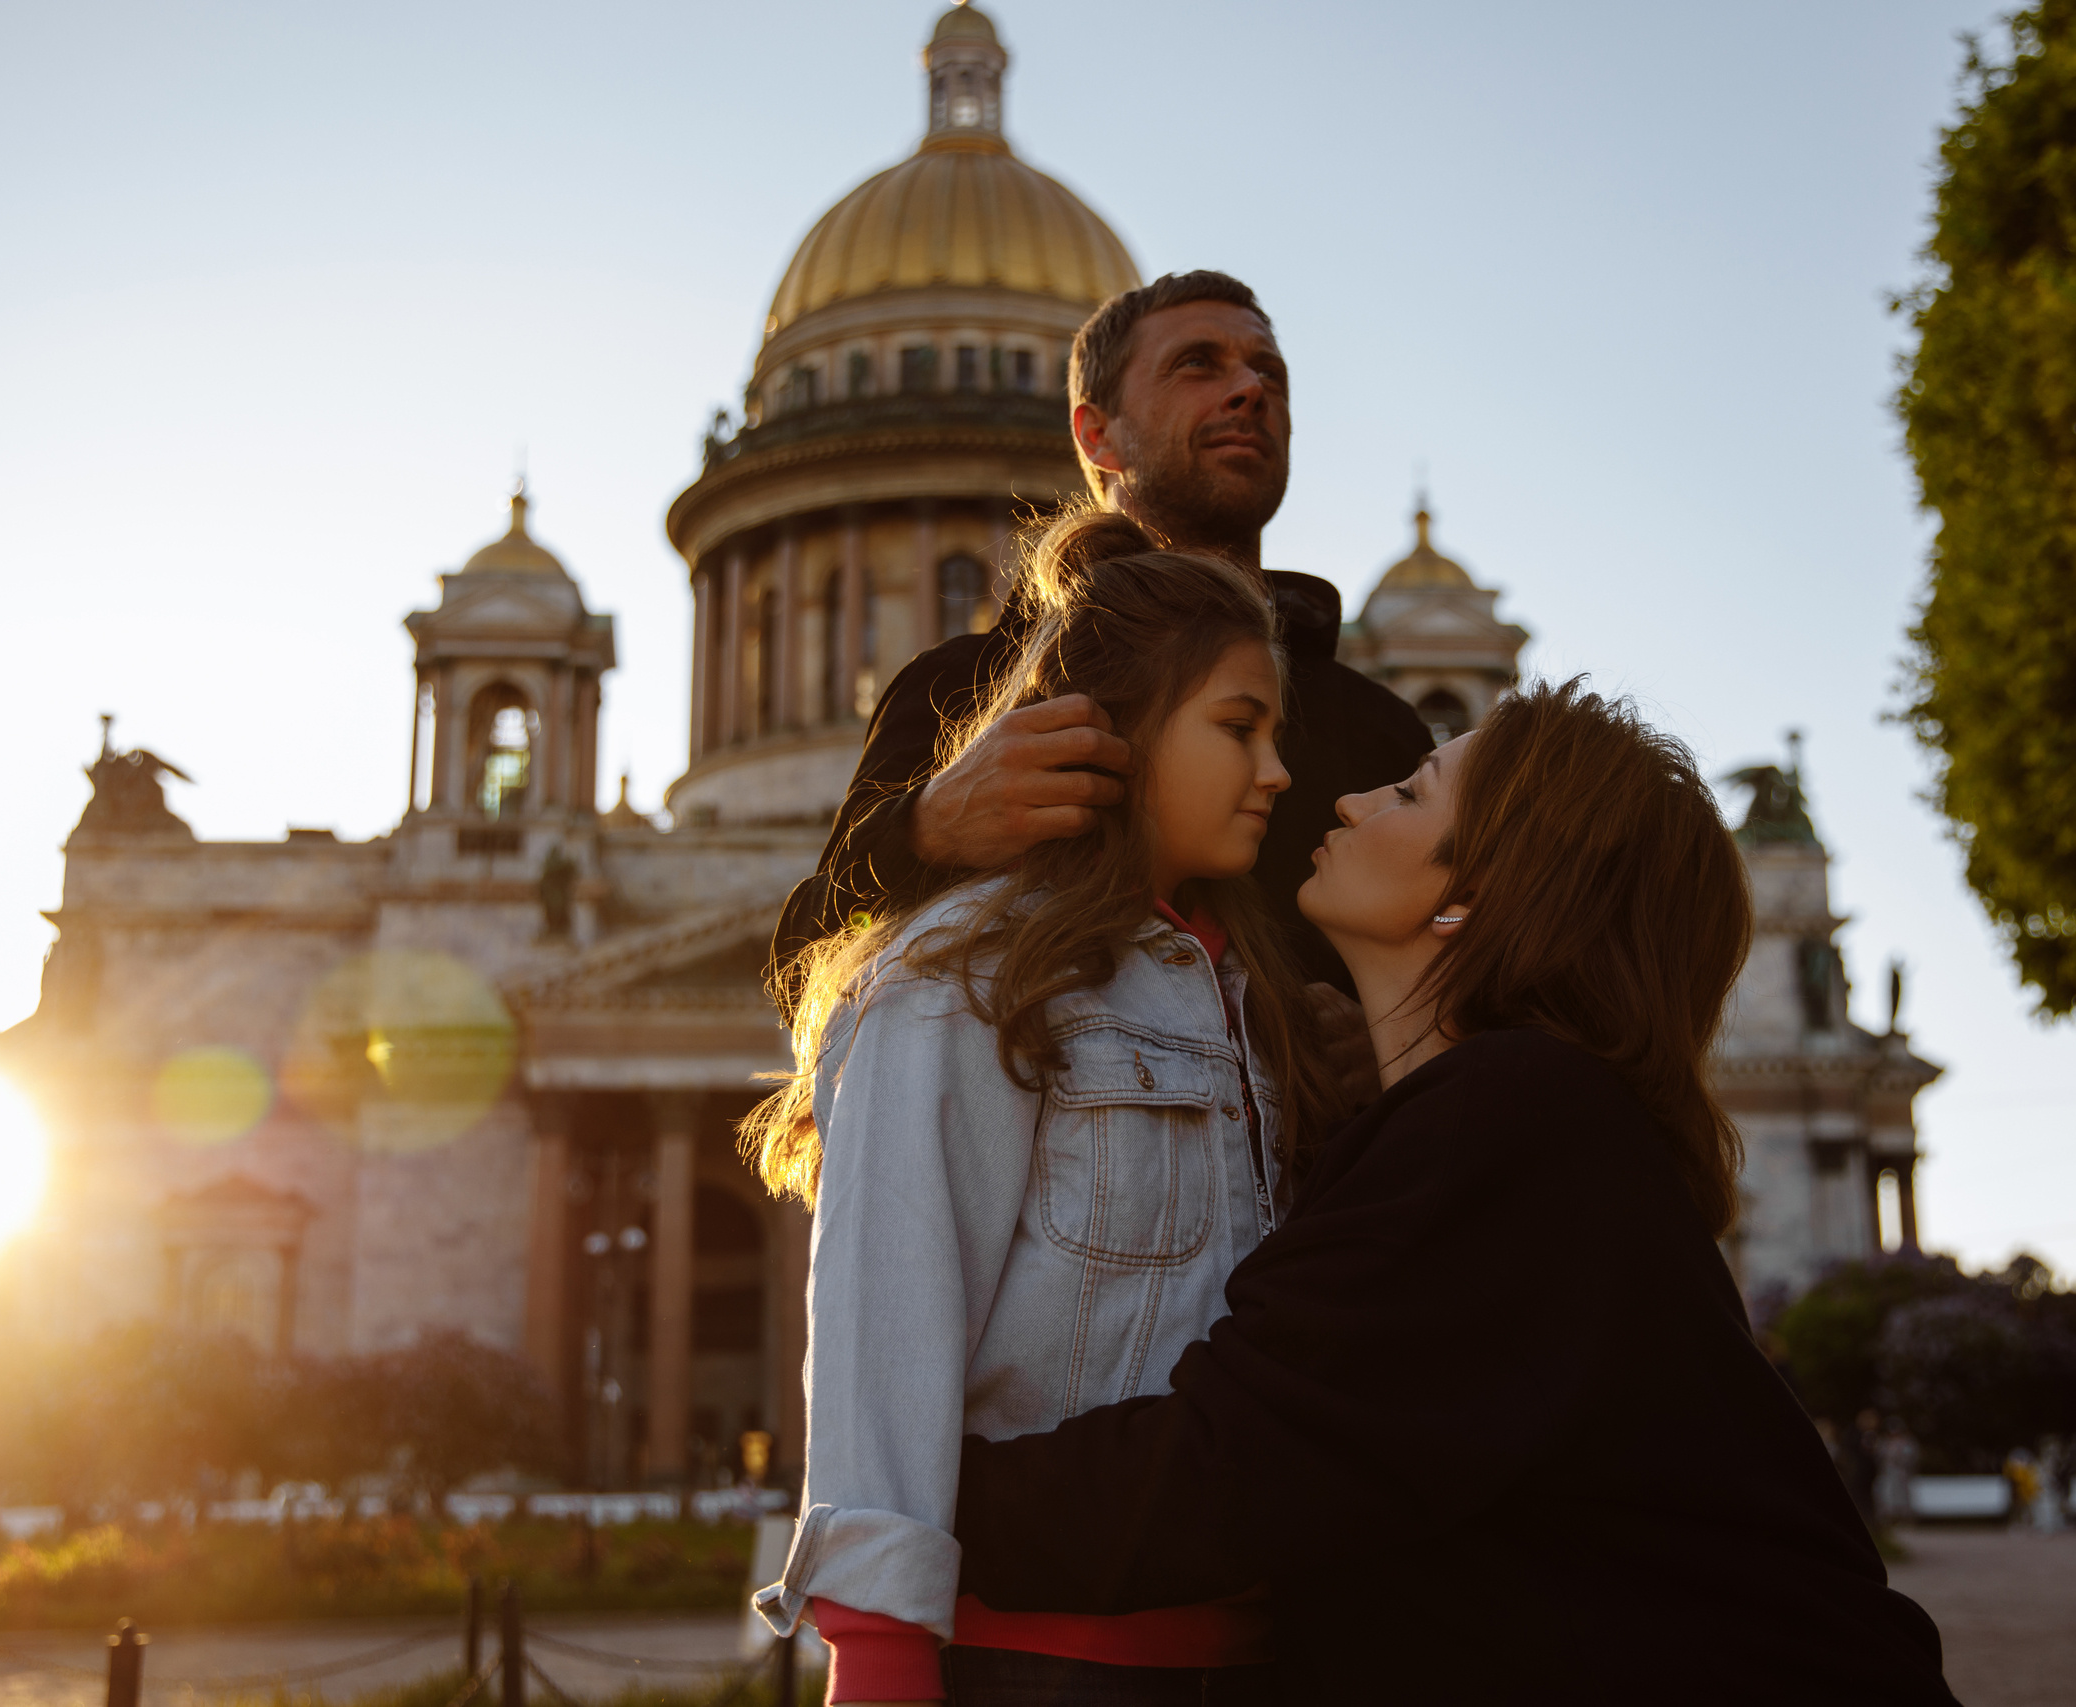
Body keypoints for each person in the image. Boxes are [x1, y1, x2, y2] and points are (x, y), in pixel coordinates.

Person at [950, 682, 1962, 1704]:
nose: (1348, 801)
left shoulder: (1513, 1117)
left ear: (1471, 897)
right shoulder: (1522, 1120)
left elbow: (1226, 1471)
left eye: (1410, 793)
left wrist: (908, 1494)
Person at [745, 511, 1337, 1705]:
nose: (1278, 774)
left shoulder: (1246, 989)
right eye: (1239, 728)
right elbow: (888, 1320)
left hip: (1247, 1648)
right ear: (1108, 733)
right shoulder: (960, 972)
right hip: (1041, 1662)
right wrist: (880, 1654)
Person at [771, 270, 1430, 1002]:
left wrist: (1382, 1044)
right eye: (1197, 364)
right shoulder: (962, 693)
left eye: (1268, 371)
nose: (1250, 389)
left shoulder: (1378, 732)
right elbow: (804, 972)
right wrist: (927, 832)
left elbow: (1473, 968)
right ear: (1097, 434)